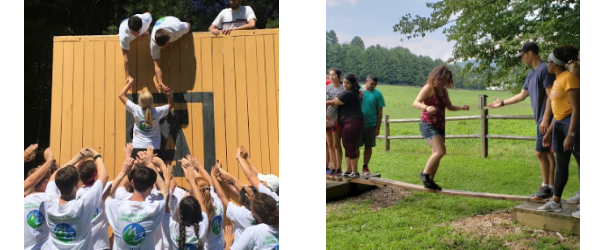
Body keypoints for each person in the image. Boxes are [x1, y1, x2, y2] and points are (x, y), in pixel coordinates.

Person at [488, 41, 557, 199]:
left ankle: (547, 187)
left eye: (522, 55)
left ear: (530, 53)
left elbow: (551, 96)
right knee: (545, 153)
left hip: (547, 119)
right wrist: (502, 103)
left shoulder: (545, 70)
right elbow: (521, 95)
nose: (521, 59)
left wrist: (546, 119)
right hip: (540, 119)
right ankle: (549, 187)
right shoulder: (531, 73)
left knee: (541, 152)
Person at [537, 45, 580, 213]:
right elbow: (558, 112)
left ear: (554, 64)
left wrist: (571, 134)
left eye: (548, 62)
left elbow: (576, 109)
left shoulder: (569, 78)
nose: (546, 64)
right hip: (560, 125)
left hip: (573, 125)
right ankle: (555, 202)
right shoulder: (557, 80)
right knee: (562, 164)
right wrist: (548, 132)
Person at [413, 66, 469, 190]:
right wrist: (426, 107)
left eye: (447, 80)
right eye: (443, 79)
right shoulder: (429, 88)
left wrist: (460, 107)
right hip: (428, 124)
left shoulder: (444, 91)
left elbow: (449, 106)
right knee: (440, 151)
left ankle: (430, 181)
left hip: (440, 125)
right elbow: (416, 102)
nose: (445, 82)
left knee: (437, 153)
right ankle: (424, 174)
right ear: (437, 76)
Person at [42, 147, 109, 249]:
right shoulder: (82, 205)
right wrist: (96, 154)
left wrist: (77, 158)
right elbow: (104, 176)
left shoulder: (49, 203)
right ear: (77, 185)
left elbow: (53, 177)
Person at [106, 147, 170, 249]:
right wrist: (150, 164)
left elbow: (106, 195)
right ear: (151, 187)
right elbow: (164, 190)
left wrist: (124, 171)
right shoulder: (154, 207)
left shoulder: (118, 206)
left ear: (132, 182)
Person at [118, 78, 174, 158]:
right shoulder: (157, 111)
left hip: (137, 148)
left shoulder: (135, 109)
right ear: (151, 101)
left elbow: (121, 95)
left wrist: (129, 83)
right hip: (154, 148)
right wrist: (168, 95)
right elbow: (171, 105)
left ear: (140, 101)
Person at [180, 155, 225, 250]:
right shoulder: (216, 200)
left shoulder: (198, 213)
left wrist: (190, 169)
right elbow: (207, 183)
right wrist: (196, 167)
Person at [162, 159, 209, 250]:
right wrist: (192, 180)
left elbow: (164, 205)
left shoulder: (172, 228)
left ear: (178, 211)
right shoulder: (202, 227)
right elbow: (202, 203)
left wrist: (167, 180)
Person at [326, 73, 365, 181]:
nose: (344, 85)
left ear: (353, 84)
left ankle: (355, 172)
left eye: (347, 83)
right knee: (347, 146)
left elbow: (334, 102)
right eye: (343, 82)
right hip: (350, 122)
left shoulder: (348, 93)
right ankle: (348, 171)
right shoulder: (353, 92)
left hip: (352, 122)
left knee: (350, 146)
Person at [211, 161, 258, 240]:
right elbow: (237, 190)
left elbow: (222, 197)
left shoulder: (241, 214)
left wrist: (213, 176)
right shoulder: (261, 211)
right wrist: (220, 172)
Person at [24, 148, 54, 250]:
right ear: (46, 182)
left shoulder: (24, 199)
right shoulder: (53, 199)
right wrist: (49, 160)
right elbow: (30, 182)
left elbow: (30, 182)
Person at [150, 16, 192, 89]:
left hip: (172, 20)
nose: (163, 48)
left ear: (169, 38)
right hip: (161, 22)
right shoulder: (153, 44)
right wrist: (160, 82)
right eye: (161, 46)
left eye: (165, 45)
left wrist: (177, 40)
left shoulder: (178, 29)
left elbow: (189, 25)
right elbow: (157, 65)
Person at [357, 74, 385, 175]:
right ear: (366, 80)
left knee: (368, 146)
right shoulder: (357, 90)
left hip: (371, 124)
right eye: (372, 84)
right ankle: (354, 167)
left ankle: (365, 166)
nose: (373, 86)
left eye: (375, 85)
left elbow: (380, 111)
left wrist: (377, 127)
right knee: (356, 146)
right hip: (357, 124)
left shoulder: (378, 94)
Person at [119, 12, 152, 85]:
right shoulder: (124, 36)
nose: (137, 35)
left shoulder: (146, 20)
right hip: (124, 22)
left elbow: (148, 13)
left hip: (136, 18)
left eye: (138, 32)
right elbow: (126, 57)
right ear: (129, 29)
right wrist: (127, 76)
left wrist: (146, 30)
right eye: (133, 33)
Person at [325, 68, 345, 179]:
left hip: (337, 120)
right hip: (326, 120)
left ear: (339, 76)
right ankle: (333, 168)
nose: (331, 77)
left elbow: (345, 105)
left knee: (337, 144)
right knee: (330, 144)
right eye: (330, 75)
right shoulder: (326, 88)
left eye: (333, 75)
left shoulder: (343, 89)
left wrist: (339, 116)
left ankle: (338, 168)